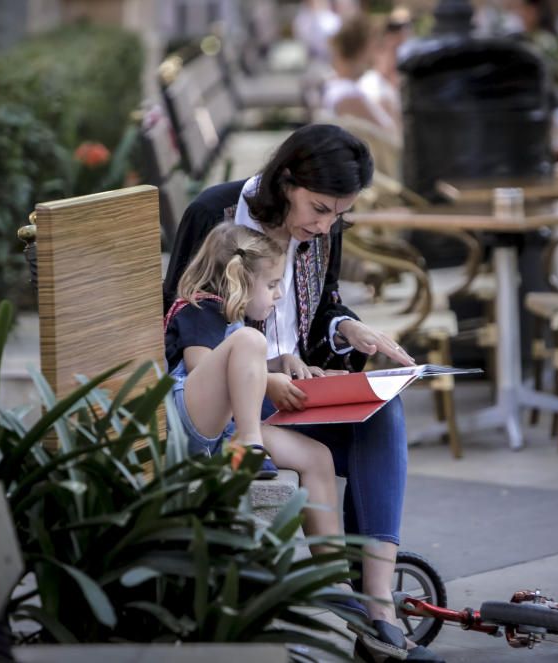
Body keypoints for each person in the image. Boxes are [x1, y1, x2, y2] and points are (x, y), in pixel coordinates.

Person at [164, 124, 443, 662]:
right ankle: (348, 601)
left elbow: (322, 314)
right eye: (319, 208)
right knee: (346, 431)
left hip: (293, 381)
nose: (326, 224)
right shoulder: (214, 216)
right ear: (286, 181)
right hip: (235, 398)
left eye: (340, 214)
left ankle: (378, 608)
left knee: (384, 409)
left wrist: (347, 329)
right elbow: (180, 321)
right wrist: (267, 372)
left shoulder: (323, 228)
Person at [164, 223, 346, 561]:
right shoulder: (200, 310)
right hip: (187, 424)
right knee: (250, 340)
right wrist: (267, 378)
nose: (278, 295)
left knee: (317, 456)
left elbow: (235, 369)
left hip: (222, 434)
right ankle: (249, 445)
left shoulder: (231, 320)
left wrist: (280, 364)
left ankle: (332, 572)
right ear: (240, 282)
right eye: (273, 285)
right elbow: (201, 369)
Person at [322, 14, 400, 134]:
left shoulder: (345, 88)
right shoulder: (346, 94)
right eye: (374, 45)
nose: (376, 53)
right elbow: (389, 136)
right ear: (362, 49)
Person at [359, 7, 412, 128]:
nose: (399, 55)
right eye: (394, 49)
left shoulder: (406, 84)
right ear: (377, 51)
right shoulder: (369, 86)